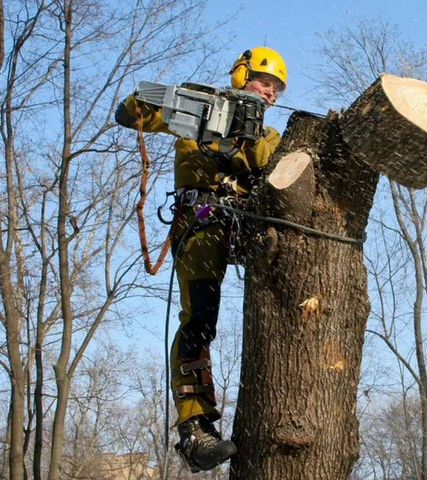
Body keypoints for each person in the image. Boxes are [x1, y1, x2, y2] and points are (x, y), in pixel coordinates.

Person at [115, 47, 287, 472]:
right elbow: (129, 113)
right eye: (265, 82)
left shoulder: (269, 139)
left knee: (288, 293)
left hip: (249, 224)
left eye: (277, 89)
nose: (270, 93)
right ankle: (195, 430)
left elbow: (276, 174)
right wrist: (180, 102)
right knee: (200, 318)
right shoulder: (198, 116)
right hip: (204, 220)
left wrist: (245, 146)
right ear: (242, 74)